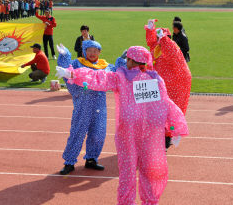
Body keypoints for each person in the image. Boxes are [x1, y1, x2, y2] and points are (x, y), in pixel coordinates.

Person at [55, 46, 188, 205]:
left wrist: (73, 73)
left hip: (129, 133)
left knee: (128, 171)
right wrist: (177, 125)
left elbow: (99, 78)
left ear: (131, 60)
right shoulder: (155, 79)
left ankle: (127, 202)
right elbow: (167, 103)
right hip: (150, 133)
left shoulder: (122, 77)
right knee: (151, 170)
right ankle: (150, 201)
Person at [56, 40, 117, 176]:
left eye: (95, 51)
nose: (92, 53)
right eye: (89, 50)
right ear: (84, 51)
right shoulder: (77, 63)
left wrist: (123, 60)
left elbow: (119, 73)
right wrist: (64, 55)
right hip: (83, 104)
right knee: (77, 132)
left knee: (98, 134)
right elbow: (66, 69)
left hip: (99, 105)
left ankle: (91, 159)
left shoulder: (106, 66)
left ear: (100, 52)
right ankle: (69, 162)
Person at [146, 19, 192, 149]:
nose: (157, 41)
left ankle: (167, 137)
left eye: (159, 38)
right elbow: (152, 44)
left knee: (169, 110)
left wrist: (163, 38)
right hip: (163, 83)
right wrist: (150, 29)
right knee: (159, 110)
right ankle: (161, 136)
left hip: (176, 83)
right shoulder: (157, 48)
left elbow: (168, 47)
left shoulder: (172, 47)